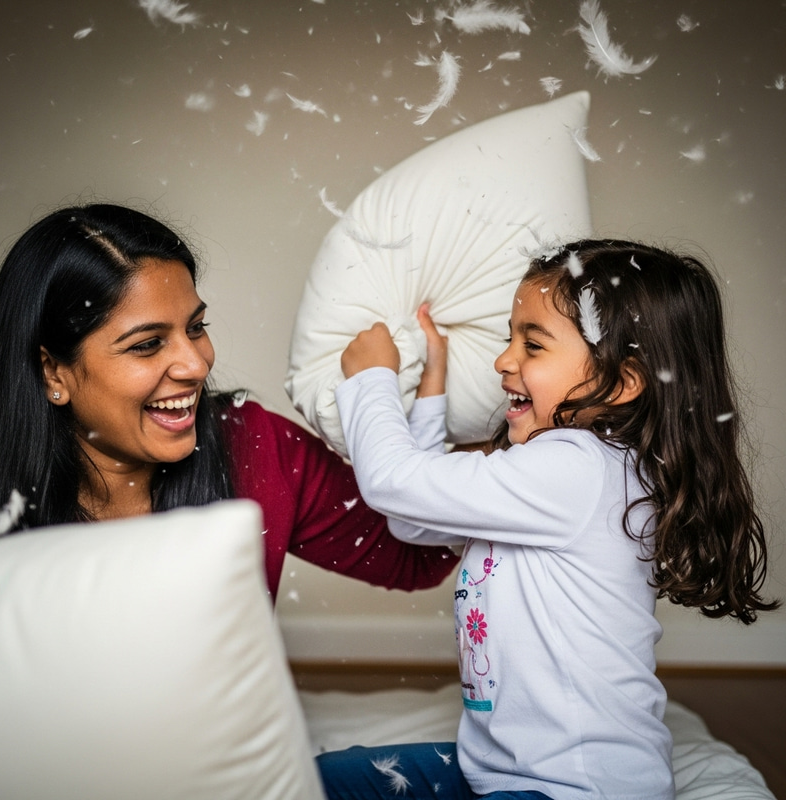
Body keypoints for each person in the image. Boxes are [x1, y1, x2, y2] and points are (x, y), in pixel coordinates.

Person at [317, 240, 779, 799]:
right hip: (497, 772)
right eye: (509, 338)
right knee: (316, 781)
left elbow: (394, 483)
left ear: (623, 382)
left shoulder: (579, 471)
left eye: (532, 345)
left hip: (577, 790)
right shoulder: (552, 476)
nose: (503, 360)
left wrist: (370, 381)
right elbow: (411, 521)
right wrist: (432, 382)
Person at [0, 203, 458, 598]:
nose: (195, 364)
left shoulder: (256, 446)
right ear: (53, 372)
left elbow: (419, 552)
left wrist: (461, 401)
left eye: (196, 328)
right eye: (147, 344)